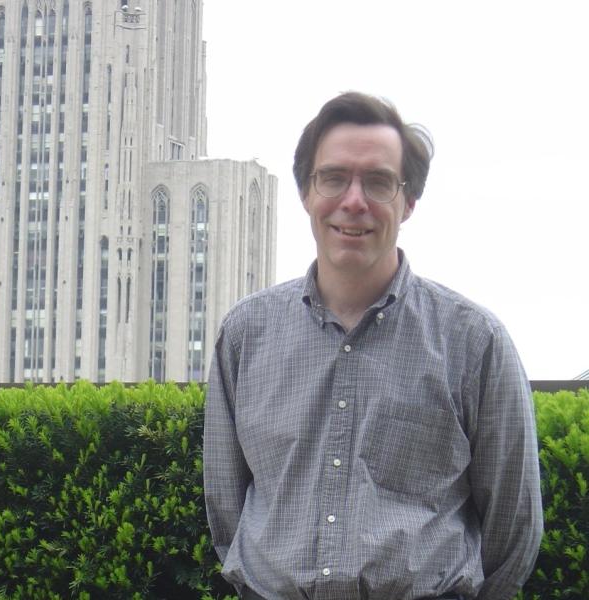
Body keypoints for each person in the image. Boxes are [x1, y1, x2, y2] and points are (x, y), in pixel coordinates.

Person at [203, 92, 543, 600]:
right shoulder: (245, 336)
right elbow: (226, 503)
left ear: (408, 203)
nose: (354, 200)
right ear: (306, 193)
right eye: (334, 177)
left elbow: (512, 527)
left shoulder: (475, 343)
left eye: (379, 182)